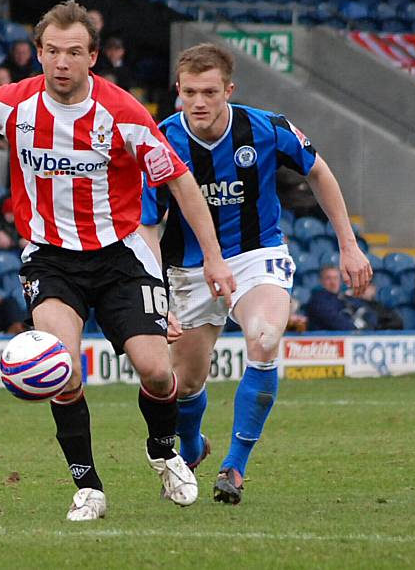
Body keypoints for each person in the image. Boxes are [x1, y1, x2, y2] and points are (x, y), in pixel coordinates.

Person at [0, 0, 235, 521]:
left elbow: (182, 182)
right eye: (51, 51)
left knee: (158, 371)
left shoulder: (124, 114)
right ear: (38, 53)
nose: (61, 62)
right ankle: (89, 488)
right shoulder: (13, 105)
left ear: (92, 57)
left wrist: (213, 257)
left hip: (121, 256)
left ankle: (163, 450)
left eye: (73, 52)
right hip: (50, 260)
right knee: (62, 368)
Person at [140, 43, 372, 505]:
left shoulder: (267, 128)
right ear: (178, 92)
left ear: (229, 89)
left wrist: (348, 244)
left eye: (209, 91)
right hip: (187, 268)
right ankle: (192, 448)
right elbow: (148, 224)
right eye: (189, 92)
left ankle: (235, 467)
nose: (198, 102)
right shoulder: (160, 142)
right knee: (184, 384)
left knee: (264, 339)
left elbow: (320, 172)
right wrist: (154, 289)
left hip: (255, 254)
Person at [306, 265, 375, 331]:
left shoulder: (345, 298)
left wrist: (367, 326)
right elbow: (334, 321)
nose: (333, 282)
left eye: (335, 278)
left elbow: (369, 313)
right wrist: (357, 328)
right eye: (328, 278)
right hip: (326, 340)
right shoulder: (318, 301)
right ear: (321, 281)